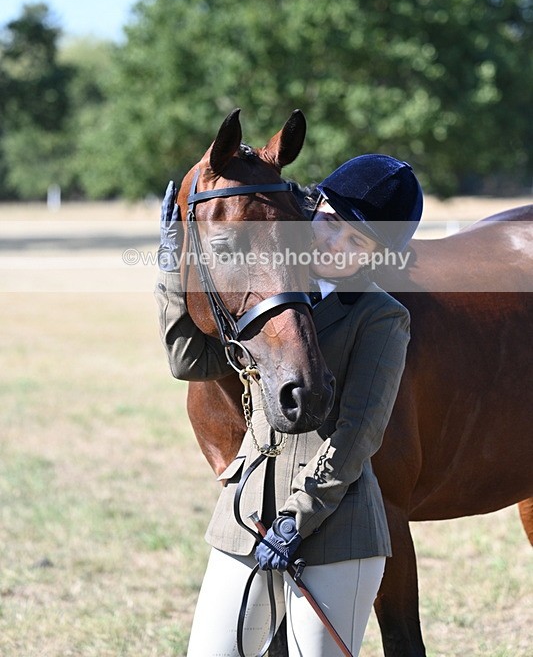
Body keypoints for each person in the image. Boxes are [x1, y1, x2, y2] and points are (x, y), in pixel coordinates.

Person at [155, 154, 423, 657]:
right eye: (331, 224)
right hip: (247, 517)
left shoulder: (383, 317)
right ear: (313, 207)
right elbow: (189, 360)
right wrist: (172, 261)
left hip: (338, 528)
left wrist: (295, 520)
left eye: (358, 241)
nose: (335, 244)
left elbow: (358, 434)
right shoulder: (266, 288)